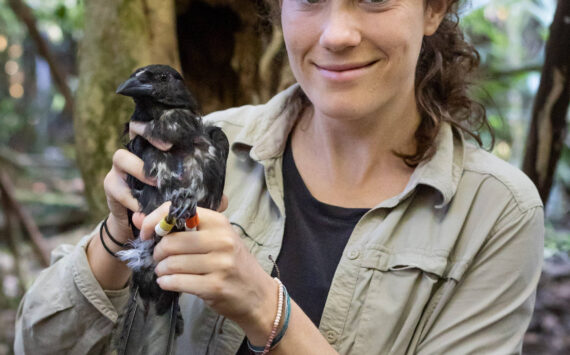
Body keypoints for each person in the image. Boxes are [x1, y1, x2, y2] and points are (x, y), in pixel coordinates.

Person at [15, 0, 544, 354]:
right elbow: (37, 342)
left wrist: (266, 309)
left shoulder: (495, 211)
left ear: (434, 9)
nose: (337, 34)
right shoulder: (205, 142)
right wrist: (116, 238)